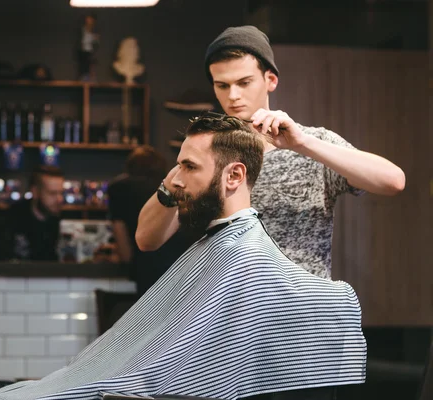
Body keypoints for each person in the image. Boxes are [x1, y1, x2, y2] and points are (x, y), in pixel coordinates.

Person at [0, 115, 366, 400]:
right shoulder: (216, 244)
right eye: (177, 165)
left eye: (188, 167)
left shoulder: (243, 257)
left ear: (233, 176)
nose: (173, 180)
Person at [136, 25, 405, 279]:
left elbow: (392, 181)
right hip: (234, 311)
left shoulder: (312, 143)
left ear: (270, 80)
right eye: (222, 85)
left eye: (244, 82)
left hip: (300, 311)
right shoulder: (206, 153)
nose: (233, 96)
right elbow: (147, 240)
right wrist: (182, 174)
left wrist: (303, 144)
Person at [108, 145, 197, 296]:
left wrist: (121, 258)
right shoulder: (176, 185)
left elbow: (124, 248)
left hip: (147, 267)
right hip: (184, 266)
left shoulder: (119, 188)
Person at [0, 166, 64, 261]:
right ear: (35, 192)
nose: (59, 199)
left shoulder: (64, 222)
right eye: (52, 193)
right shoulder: (11, 219)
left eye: (61, 193)